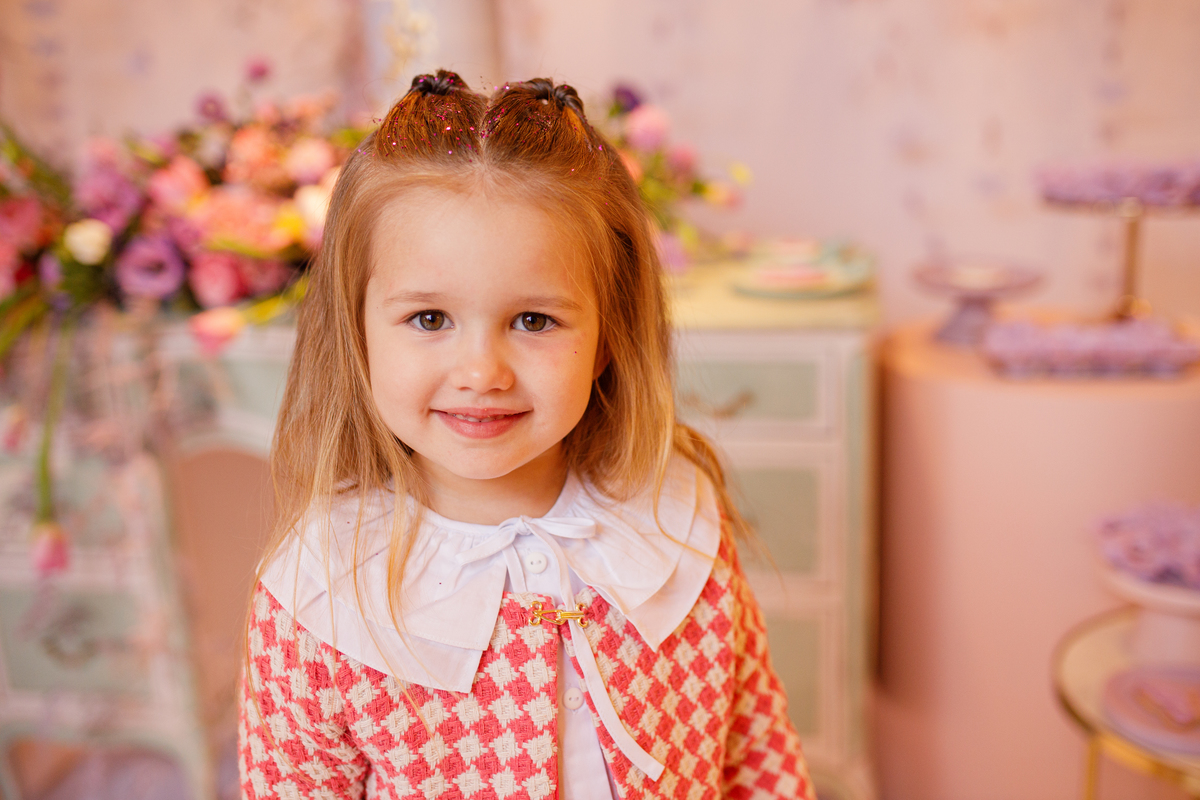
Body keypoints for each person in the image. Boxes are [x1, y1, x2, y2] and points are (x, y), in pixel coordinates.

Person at [238, 69, 815, 800]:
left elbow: (757, 761)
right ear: (356, 333)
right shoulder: (317, 592)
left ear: (608, 335)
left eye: (534, 321)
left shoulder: (671, 521)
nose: (482, 372)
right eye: (429, 319)